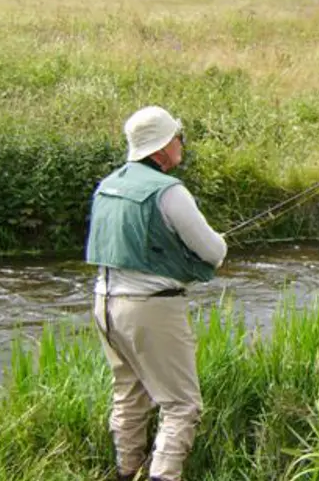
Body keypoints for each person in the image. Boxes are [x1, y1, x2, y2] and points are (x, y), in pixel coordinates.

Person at [85, 105, 228, 481]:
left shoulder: (109, 185)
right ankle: (163, 475)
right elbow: (214, 252)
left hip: (103, 303)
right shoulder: (170, 192)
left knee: (129, 396)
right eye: (178, 136)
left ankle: (126, 471)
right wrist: (221, 242)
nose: (182, 142)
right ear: (163, 147)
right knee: (182, 404)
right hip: (150, 309)